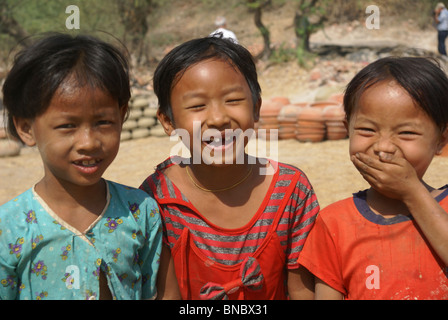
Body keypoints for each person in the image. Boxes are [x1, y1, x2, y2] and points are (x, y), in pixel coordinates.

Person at [139, 36, 319, 300]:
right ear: (168, 121)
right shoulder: (157, 199)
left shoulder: (290, 191)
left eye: (233, 100)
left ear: (256, 108)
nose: (218, 119)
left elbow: (303, 291)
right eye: (197, 106)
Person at [0, 33, 162, 300]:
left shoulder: (141, 212)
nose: (88, 143)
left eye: (103, 122)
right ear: (26, 128)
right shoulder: (10, 228)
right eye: (67, 126)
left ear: (122, 117)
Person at [298, 56, 448, 300]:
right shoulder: (334, 224)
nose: (384, 148)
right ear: (347, 128)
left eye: (407, 133)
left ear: (441, 139)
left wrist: (412, 193)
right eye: (367, 130)